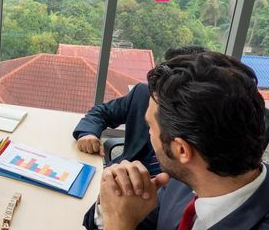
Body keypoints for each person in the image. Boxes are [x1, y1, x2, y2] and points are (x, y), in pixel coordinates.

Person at [78, 52, 269, 230]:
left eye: (150, 127)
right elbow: (142, 224)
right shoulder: (198, 177)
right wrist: (115, 203)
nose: (149, 134)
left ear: (181, 150)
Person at [73, 46, 207, 175]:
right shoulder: (143, 93)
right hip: (119, 174)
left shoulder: (202, 123)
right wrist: (87, 134)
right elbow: (103, 112)